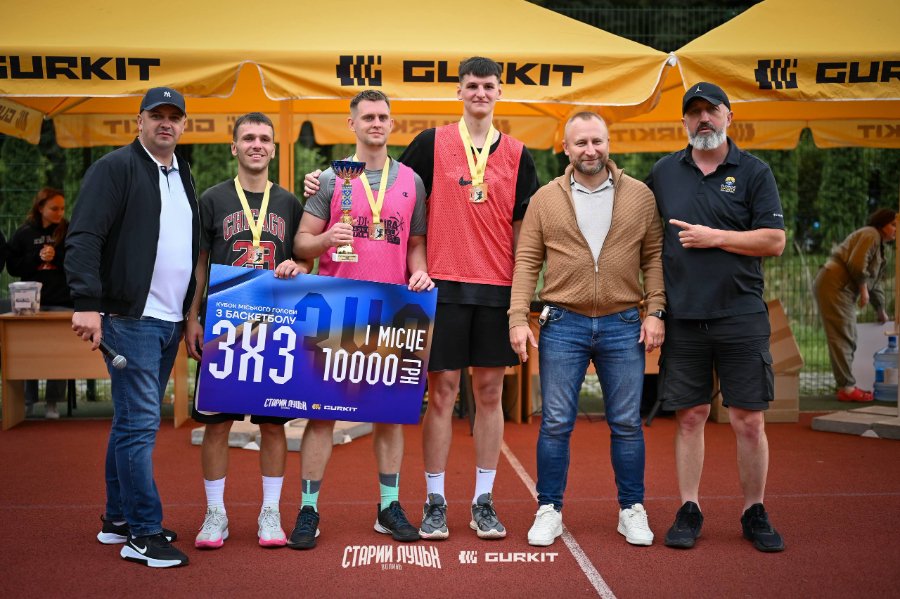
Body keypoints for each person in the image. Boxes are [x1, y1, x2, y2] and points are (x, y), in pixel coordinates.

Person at [304, 57, 539, 540]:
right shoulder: (432, 143)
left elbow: (524, 233)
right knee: (443, 394)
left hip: (496, 287)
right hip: (438, 286)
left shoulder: (519, 154)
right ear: (459, 91)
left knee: (490, 394)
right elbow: (379, 179)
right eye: (471, 85)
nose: (479, 93)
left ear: (499, 92)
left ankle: (483, 501)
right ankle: (435, 501)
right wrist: (319, 179)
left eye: (488, 86)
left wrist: (521, 297)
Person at [508, 112, 665, 547]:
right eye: (581, 143)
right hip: (562, 322)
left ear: (608, 144)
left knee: (627, 423)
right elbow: (527, 261)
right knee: (556, 422)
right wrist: (517, 317)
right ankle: (549, 509)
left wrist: (656, 310)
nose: (590, 150)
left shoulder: (640, 196)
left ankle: (631, 509)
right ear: (565, 148)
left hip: (623, 321)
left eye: (597, 141)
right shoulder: (545, 198)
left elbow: (653, 256)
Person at [288, 90, 432, 550]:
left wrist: (420, 271)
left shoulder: (411, 181)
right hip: (336, 311)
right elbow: (301, 242)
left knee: (389, 418)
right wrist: (327, 237)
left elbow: (415, 244)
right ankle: (308, 508)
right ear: (351, 124)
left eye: (383, 116)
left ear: (392, 123)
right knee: (322, 417)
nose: (376, 122)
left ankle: (388, 506)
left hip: (392, 311)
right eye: (367, 116)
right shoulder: (330, 179)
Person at [646, 82, 787, 553]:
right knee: (690, 416)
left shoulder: (754, 172)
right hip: (684, 317)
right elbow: (646, 238)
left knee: (748, 420)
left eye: (712, 110)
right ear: (684, 121)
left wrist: (716, 237)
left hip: (740, 314)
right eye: (695, 112)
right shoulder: (664, 171)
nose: (703, 118)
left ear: (729, 116)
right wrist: (655, 308)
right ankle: (689, 508)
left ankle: (754, 510)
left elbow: (774, 241)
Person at [66, 87, 198, 568]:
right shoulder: (114, 168)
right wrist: (87, 303)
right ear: (138, 120)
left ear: (183, 125)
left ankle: (118, 519)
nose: (166, 123)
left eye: (173, 117)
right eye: (156, 115)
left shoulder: (183, 172)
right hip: (131, 319)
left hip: (168, 321)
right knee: (140, 427)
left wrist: (187, 315)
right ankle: (143, 533)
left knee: (129, 423)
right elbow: (84, 236)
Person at [183, 112, 308, 550]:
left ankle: (270, 511)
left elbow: (305, 258)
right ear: (233, 147)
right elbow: (200, 264)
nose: (257, 144)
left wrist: (299, 264)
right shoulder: (213, 199)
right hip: (224, 325)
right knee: (217, 424)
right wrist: (192, 317)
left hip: (275, 326)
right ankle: (215, 512)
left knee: (273, 425)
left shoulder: (289, 203)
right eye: (249, 138)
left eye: (264, 138)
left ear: (273, 148)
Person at [814, 209, 897, 402]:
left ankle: (846, 385)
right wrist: (863, 288)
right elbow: (857, 264)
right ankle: (847, 388)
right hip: (835, 285)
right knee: (843, 335)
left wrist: (880, 309)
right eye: (893, 225)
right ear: (882, 224)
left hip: (839, 286)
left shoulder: (879, 244)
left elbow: (874, 282)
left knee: (849, 335)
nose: (896, 229)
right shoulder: (871, 234)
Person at [7, 187, 72, 419]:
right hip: (29, 305)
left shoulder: (68, 230)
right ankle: (27, 401)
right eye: (54, 208)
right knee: (27, 352)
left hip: (61, 301)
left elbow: (77, 262)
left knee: (59, 353)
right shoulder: (24, 233)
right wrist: (37, 257)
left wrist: (57, 257)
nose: (59, 213)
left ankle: (52, 403)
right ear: (41, 207)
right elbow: (13, 267)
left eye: (62, 208)